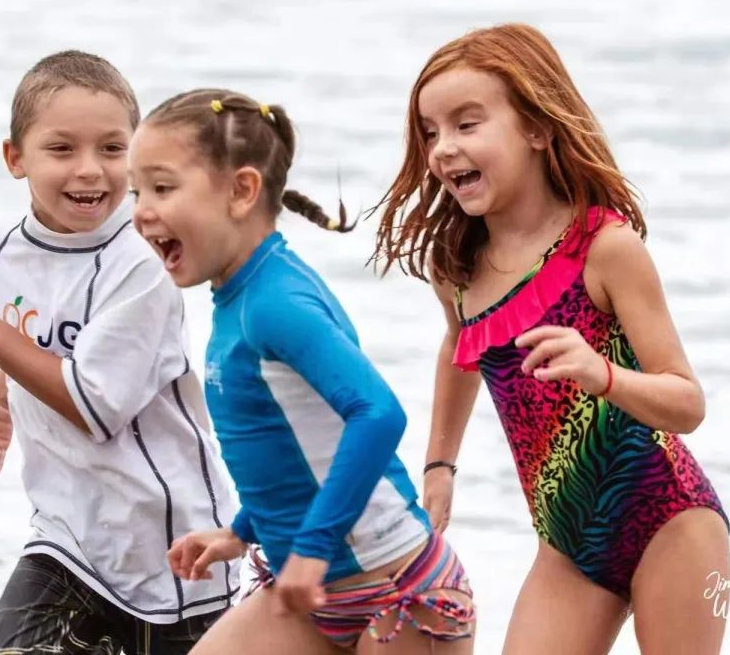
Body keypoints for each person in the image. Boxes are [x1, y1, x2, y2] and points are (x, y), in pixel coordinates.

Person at [371, 23, 730, 654]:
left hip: (671, 520)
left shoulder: (604, 247)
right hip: (566, 544)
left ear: (537, 128)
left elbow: (687, 403)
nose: (444, 148)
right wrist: (439, 466)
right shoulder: (457, 267)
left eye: (466, 124)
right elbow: (459, 352)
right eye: (430, 132)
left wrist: (602, 374)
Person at [0, 51, 238, 654]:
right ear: (15, 158)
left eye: (112, 148)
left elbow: (97, 408)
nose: (90, 170)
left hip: (171, 547)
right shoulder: (2, 250)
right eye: (61, 149)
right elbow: (42, 339)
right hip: (67, 534)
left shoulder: (142, 262)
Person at [127, 88, 476, 655]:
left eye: (162, 188)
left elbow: (378, 414)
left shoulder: (276, 301)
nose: (141, 210)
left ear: (242, 191)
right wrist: (242, 531)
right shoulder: (239, 298)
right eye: (136, 192)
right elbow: (302, 447)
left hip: (399, 592)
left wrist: (312, 549)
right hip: (310, 592)